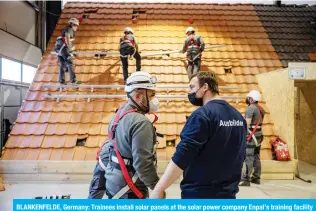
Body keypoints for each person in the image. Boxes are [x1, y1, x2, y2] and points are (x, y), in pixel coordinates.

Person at [150, 71, 247, 199]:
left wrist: (159, 189)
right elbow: (240, 155)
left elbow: (182, 156)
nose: (188, 91)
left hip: (199, 195)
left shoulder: (202, 115)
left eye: (192, 87)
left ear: (205, 87)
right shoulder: (238, 117)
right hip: (229, 195)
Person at [97, 71, 163, 199]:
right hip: (131, 189)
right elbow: (143, 164)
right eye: (152, 95)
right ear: (138, 96)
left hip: (115, 184)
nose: (155, 99)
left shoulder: (120, 112)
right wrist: (157, 188)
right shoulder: (141, 123)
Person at [239, 90, 265, 186]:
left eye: (249, 98)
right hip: (258, 136)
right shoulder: (261, 109)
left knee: (248, 157)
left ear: (252, 99)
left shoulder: (251, 108)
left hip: (251, 136)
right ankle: (256, 177)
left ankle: (246, 179)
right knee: (256, 156)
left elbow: (247, 124)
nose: (247, 99)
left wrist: (243, 135)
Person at [54, 17, 85, 85]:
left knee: (63, 64)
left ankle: (61, 81)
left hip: (58, 48)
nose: (77, 27)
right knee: (70, 62)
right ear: (73, 25)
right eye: (76, 26)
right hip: (63, 46)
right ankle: (73, 81)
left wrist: (82, 17)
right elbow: (67, 38)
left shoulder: (66, 28)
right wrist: (69, 49)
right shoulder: (69, 29)